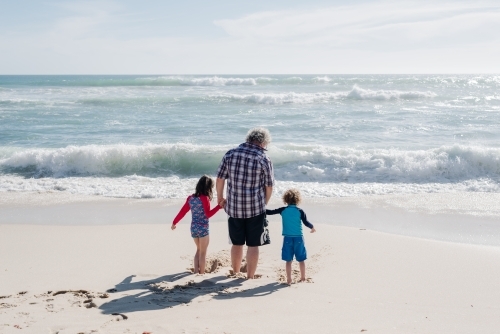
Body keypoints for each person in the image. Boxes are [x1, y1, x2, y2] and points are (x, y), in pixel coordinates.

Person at [216, 127, 275, 279]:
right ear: (263, 142)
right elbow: (269, 186)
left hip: (234, 207)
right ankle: (250, 276)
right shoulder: (263, 158)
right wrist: (264, 203)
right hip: (255, 208)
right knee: (253, 244)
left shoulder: (231, 153)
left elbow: (220, 178)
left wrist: (220, 198)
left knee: (237, 243)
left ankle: (235, 273)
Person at [171, 175, 225, 274]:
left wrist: (174, 222)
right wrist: (218, 207)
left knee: (198, 250)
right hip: (203, 228)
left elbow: (183, 212)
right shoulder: (205, 198)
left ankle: (196, 271)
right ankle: (202, 273)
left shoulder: (190, 198)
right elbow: (208, 214)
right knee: (203, 253)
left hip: (193, 228)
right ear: (208, 187)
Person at [266, 188, 316, 285]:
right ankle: (302, 277)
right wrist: (312, 227)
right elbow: (306, 222)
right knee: (301, 259)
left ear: (285, 199)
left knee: (288, 261)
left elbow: (270, 212)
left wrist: (259, 209)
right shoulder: (300, 211)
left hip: (287, 238)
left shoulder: (283, 210)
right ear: (298, 200)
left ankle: (289, 279)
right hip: (299, 238)